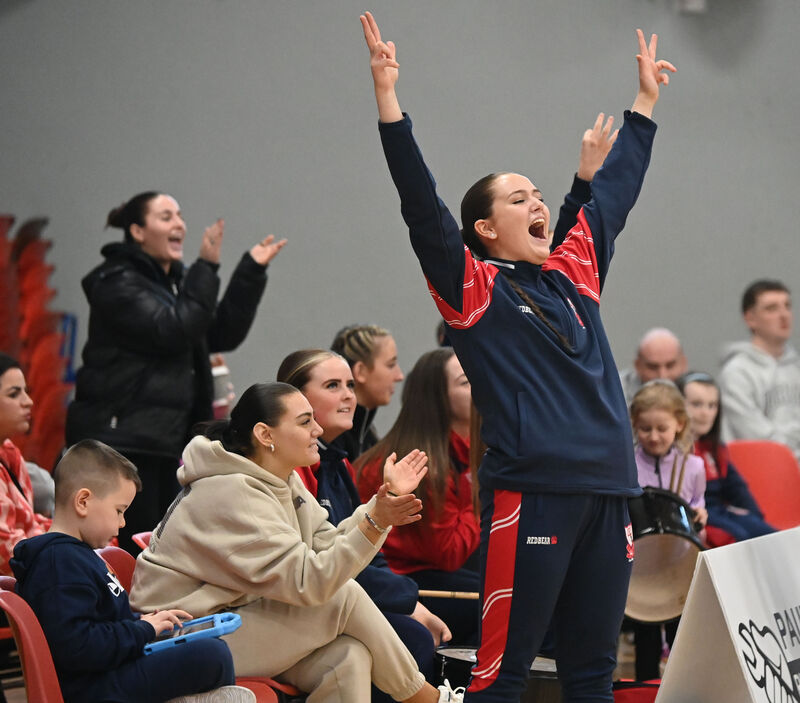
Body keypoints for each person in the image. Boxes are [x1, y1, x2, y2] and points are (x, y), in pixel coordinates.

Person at [360, 11, 675, 701]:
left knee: (596, 674)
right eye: (517, 197)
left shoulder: (574, 274)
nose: (537, 203)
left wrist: (644, 104)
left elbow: (612, 200)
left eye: (538, 194)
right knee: (503, 674)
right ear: (484, 227)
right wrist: (390, 102)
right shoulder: (472, 288)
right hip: (533, 493)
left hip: (609, 491)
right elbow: (421, 206)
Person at [130, 382, 465, 703]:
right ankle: (426, 698)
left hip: (230, 620)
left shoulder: (281, 479)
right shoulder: (230, 491)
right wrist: (376, 522)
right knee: (341, 596)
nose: (317, 431)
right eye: (305, 422)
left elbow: (326, 544)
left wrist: (383, 503)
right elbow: (311, 583)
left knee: (348, 657)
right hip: (181, 638)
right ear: (265, 435)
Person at [65, 191, 286, 553]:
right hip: (123, 440)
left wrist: (249, 273)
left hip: (164, 440)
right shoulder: (117, 282)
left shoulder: (173, 285)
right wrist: (206, 266)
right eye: (165, 216)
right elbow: (174, 329)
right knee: (130, 551)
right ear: (137, 231)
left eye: (180, 215)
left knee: (158, 547)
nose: (179, 223)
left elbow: (217, 334)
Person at [10, 439, 254, 703]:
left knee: (210, 650)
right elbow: (78, 647)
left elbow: (103, 624)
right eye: (119, 511)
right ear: (83, 501)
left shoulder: (74, 556)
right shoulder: (58, 561)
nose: (123, 522)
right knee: (210, 656)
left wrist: (147, 623)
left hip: (109, 672)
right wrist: (143, 630)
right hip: (94, 688)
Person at [277, 348, 451, 700]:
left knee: (415, 632)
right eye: (332, 385)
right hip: (300, 602)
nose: (347, 396)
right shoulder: (289, 471)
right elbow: (317, 558)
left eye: (350, 386)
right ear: (295, 400)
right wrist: (409, 601)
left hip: (337, 590)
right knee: (410, 635)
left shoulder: (339, 465)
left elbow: (368, 552)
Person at [356, 348, 481, 646]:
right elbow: (449, 553)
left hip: (428, 574)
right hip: (401, 580)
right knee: (504, 604)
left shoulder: (462, 451)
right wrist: (481, 492)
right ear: (438, 398)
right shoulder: (424, 463)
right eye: (466, 382)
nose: (480, 388)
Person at [629, 380, 706, 681]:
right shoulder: (628, 464)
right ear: (635, 425)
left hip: (679, 565)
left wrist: (701, 511)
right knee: (645, 636)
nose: (653, 436)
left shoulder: (694, 466)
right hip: (642, 569)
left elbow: (698, 500)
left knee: (681, 636)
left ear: (680, 424)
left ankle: (683, 686)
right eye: (645, 429)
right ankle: (644, 688)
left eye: (662, 428)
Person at [678, 371, 775, 543]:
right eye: (696, 404)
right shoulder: (672, 452)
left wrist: (754, 516)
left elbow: (736, 487)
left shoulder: (715, 448)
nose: (705, 413)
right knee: (738, 539)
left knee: (769, 535)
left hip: (721, 511)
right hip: (697, 516)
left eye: (712, 405)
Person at [718, 279, 800, 461]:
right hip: (761, 473)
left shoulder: (796, 368)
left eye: (787, 306)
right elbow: (756, 436)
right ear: (750, 318)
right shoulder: (737, 373)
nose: (784, 315)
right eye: (772, 308)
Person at [0, 353, 51, 576]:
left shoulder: (9, 452)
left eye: (25, 391)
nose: (28, 401)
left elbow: (29, 523)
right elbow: (6, 551)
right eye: (14, 394)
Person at [330, 324, 404, 458]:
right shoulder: (333, 442)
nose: (399, 376)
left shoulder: (367, 436)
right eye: (391, 365)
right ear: (360, 371)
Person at [618, 328, 688, 406]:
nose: (662, 376)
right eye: (653, 367)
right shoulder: (616, 392)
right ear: (637, 365)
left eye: (670, 366)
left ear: (683, 363)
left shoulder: (695, 392)